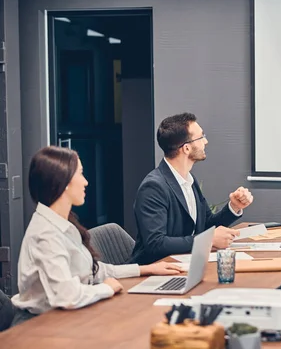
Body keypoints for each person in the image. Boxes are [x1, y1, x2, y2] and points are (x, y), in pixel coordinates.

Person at [10, 146, 182, 327]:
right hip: (38, 326)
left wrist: (145, 269)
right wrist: (106, 288)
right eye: (80, 174)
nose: (85, 182)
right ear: (64, 181)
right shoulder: (45, 234)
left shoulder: (63, 223)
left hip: (64, 317)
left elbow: (94, 271)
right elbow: (66, 295)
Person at [130, 113, 254, 265]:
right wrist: (207, 240)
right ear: (187, 148)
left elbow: (206, 224)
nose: (206, 142)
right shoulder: (154, 187)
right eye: (201, 137)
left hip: (184, 264)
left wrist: (234, 207)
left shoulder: (189, 180)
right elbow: (156, 244)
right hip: (155, 269)